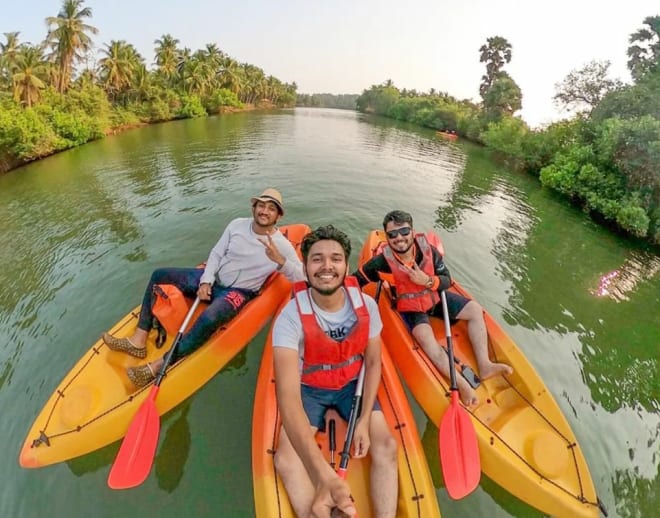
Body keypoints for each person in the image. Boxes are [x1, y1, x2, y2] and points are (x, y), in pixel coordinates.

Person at [103, 188, 305, 388]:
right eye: (261, 205)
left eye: (271, 208)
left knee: (209, 317)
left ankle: (158, 365)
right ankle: (138, 340)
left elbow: (302, 276)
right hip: (213, 278)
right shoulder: (237, 225)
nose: (264, 211)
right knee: (159, 275)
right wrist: (206, 280)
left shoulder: (282, 245)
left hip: (238, 292)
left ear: (278, 216)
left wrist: (280, 262)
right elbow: (216, 253)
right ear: (254, 207)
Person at [272, 225, 398, 518]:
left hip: (350, 386)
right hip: (310, 389)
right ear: (304, 266)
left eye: (335, 258)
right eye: (317, 259)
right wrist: (324, 476)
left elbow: (374, 362)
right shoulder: (289, 319)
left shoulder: (366, 306)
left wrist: (364, 421)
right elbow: (288, 401)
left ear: (346, 265)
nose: (326, 266)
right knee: (286, 461)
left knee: (387, 446)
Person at [354, 210, 512, 406]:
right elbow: (356, 280)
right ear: (387, 237)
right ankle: (463, 386)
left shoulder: (428, 251)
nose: (399, 238)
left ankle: (485, 364)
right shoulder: (381, 262)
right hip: (411, 308)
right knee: (426, 340)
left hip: (435, 298)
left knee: (474, 310)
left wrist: (427, 280)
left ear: (412, 231)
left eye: (404, 231)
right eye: (392, 234)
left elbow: (446, 280)